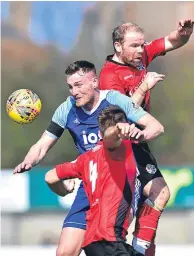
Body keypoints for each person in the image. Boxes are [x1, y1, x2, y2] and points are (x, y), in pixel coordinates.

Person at [14, 61, 164, 256]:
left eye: (79, 85)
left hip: (118, 179)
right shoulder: (66, 109)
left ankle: (140, 248)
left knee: (159, 192)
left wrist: (138, 135)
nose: (73, 92)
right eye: (70, 86)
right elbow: (43, 144)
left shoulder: (115, 101)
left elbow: (155, 127)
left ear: (94, 82)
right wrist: (29, 161)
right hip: (90, 180)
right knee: (65, 252)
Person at [99, 19, 194, 255]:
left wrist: (185, 33)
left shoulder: (140, 57)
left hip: (137, 143)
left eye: (142, 45)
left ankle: (142, 248)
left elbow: (173, 41)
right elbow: (118, 118)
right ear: (118, 46)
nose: (141, 50)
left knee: (156, 197)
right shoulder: (109, 77)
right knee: (149, 197)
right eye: (134, 46)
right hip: (121, 147)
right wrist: (143, 88)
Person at [45, 105, 149, 256]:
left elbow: (50, 177)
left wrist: (63, 190)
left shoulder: (85, 159)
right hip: (108, 241)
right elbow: (110, 138)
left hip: (96, 242)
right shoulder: (117, 150)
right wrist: (119, 128)